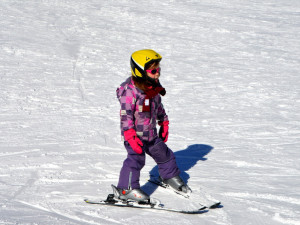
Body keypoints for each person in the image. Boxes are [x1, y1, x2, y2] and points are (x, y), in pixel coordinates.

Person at [114, 49, 190, 202]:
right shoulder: (130, 92)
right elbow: (125, 115)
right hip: (135, 136)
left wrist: (164, 121)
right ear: (140, 71)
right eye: (153, 71)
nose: (158, 74)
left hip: (150, 133)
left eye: (158, 69)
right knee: (136, 160)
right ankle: (125, 189)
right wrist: (129, 134)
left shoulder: (152, 87)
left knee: (165, 154)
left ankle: (169, 177)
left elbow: (158, 106)